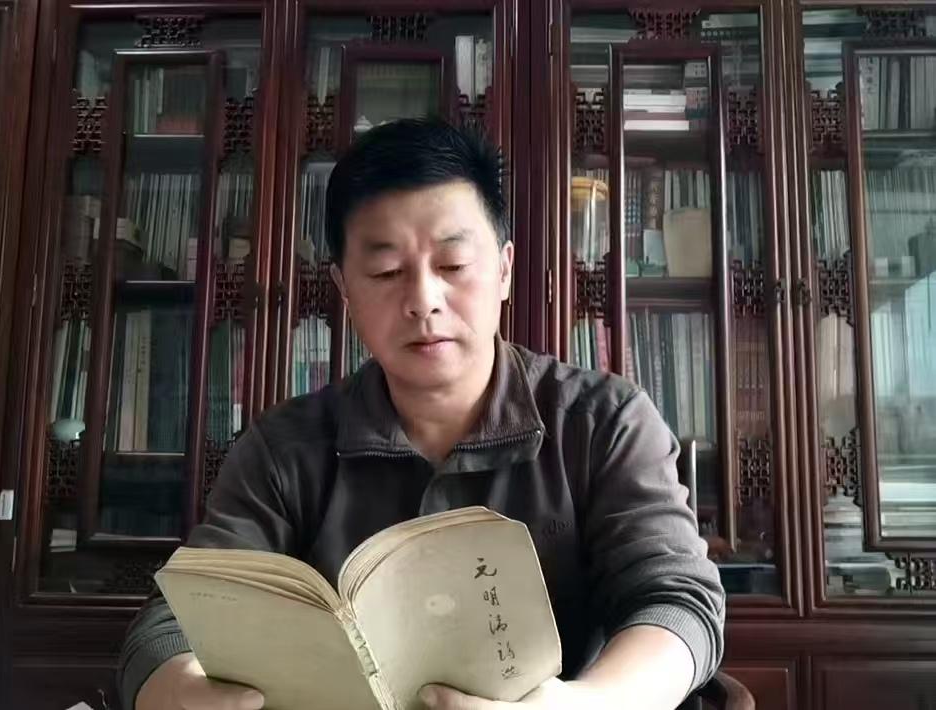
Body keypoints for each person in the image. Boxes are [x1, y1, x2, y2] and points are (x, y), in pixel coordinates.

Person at [118, 119, 725, 710]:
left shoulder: (603, 422)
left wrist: (585, 704)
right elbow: (174, 621)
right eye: (386, 273)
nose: (423, 301)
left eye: (453, 266)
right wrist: (185, 692)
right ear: (345, 290)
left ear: (504, 269)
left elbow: (676, 601)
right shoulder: (284, 449)